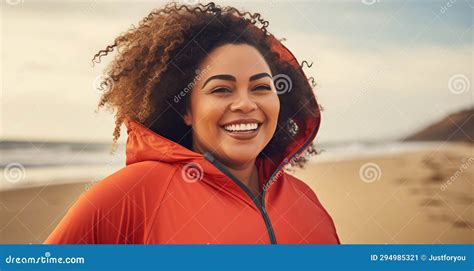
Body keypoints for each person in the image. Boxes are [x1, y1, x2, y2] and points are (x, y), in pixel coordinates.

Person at [44, 2, 340, 244]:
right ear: (185, 108)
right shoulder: (132, 195)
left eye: (261, 87)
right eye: (221, 89)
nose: (246, 104)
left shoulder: (305, 199)